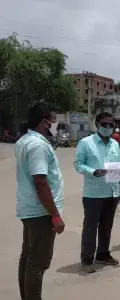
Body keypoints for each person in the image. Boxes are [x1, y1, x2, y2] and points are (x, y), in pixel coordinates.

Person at [16, 101, 65, 300]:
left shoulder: (25, 141)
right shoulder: (37, 145)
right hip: (41, 212)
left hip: (30, 209)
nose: (55, 123)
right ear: (44, 122)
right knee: (38, 261)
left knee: (28, 258)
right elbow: (40, 182)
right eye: (53, 119)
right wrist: (55, 215)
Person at [74, 112, 120, 273]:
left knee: (106, 227)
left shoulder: (115, 144)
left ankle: (102, 254)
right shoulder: (85, 143)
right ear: (97, 124)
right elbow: (78, 164)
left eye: (111, 124)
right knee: (90, 227)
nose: (108, 127)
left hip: (112, 191)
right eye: (105, 124)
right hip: (93, 194)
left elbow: (118, 165)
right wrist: (93, 171)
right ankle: (87, 259)